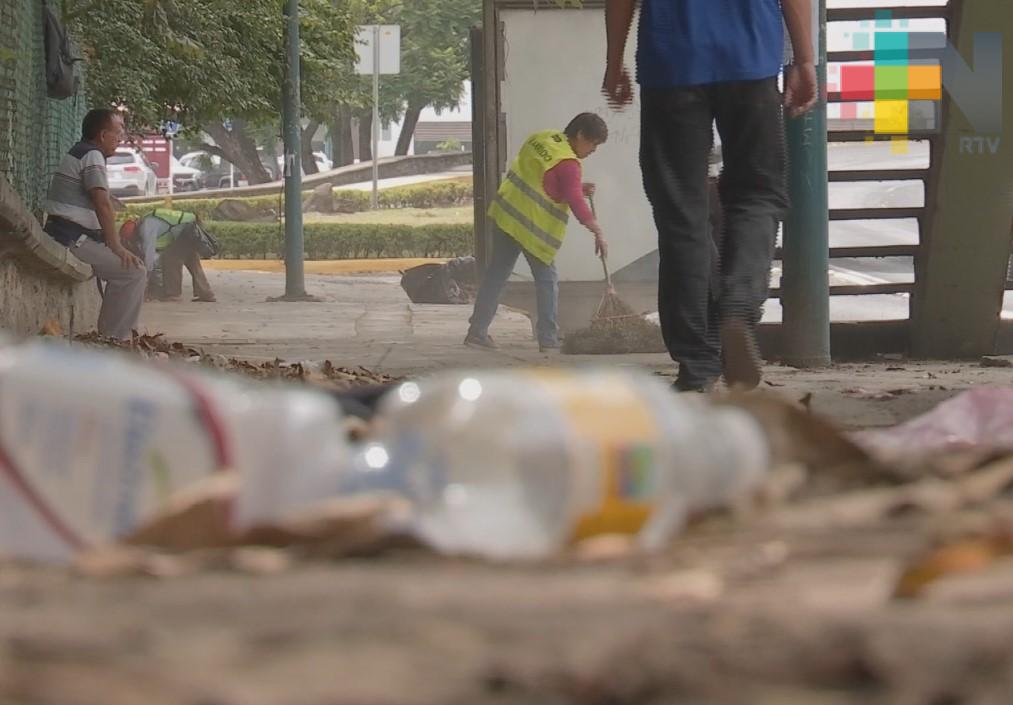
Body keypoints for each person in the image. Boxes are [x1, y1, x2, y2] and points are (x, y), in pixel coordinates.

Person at [602, 0, 818, 391]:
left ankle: (698, 363)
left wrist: (614, 60)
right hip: (750, 60)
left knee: (681, 211)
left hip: (670, 63)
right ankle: (739, 303)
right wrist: (804, 60)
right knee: (758, 194)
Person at [465, 112, 609, 352]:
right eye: (593, 144)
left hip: (506, 216)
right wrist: (597, 231)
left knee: (496, 275)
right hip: (531, 228)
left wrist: (577, 187)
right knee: (547, 280)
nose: (593, 150)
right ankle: (548, 339)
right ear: (581, 135)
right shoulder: (569, 163)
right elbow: (573, 199)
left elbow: (541, 179)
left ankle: (476, 332)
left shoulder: (542, 139)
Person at [44, 109, 146, 340]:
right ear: (102, 135)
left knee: (131, 269)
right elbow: (102, 204)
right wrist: (116, 246)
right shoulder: (92, 155)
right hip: (70, 238)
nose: (120, 140)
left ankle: (113, 337)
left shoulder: (83, 152)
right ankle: (113, 341)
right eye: (117, 134)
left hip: (70, 234)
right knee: (133, 272)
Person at [128, 209, 216, 302]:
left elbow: (149, 251)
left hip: (186, 229)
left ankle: (173, 294)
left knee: (171, 259)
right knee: (192, 260)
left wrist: (147, 271)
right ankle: (206, 293)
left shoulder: (146, 227)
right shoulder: (148, 220)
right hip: (190, 226)